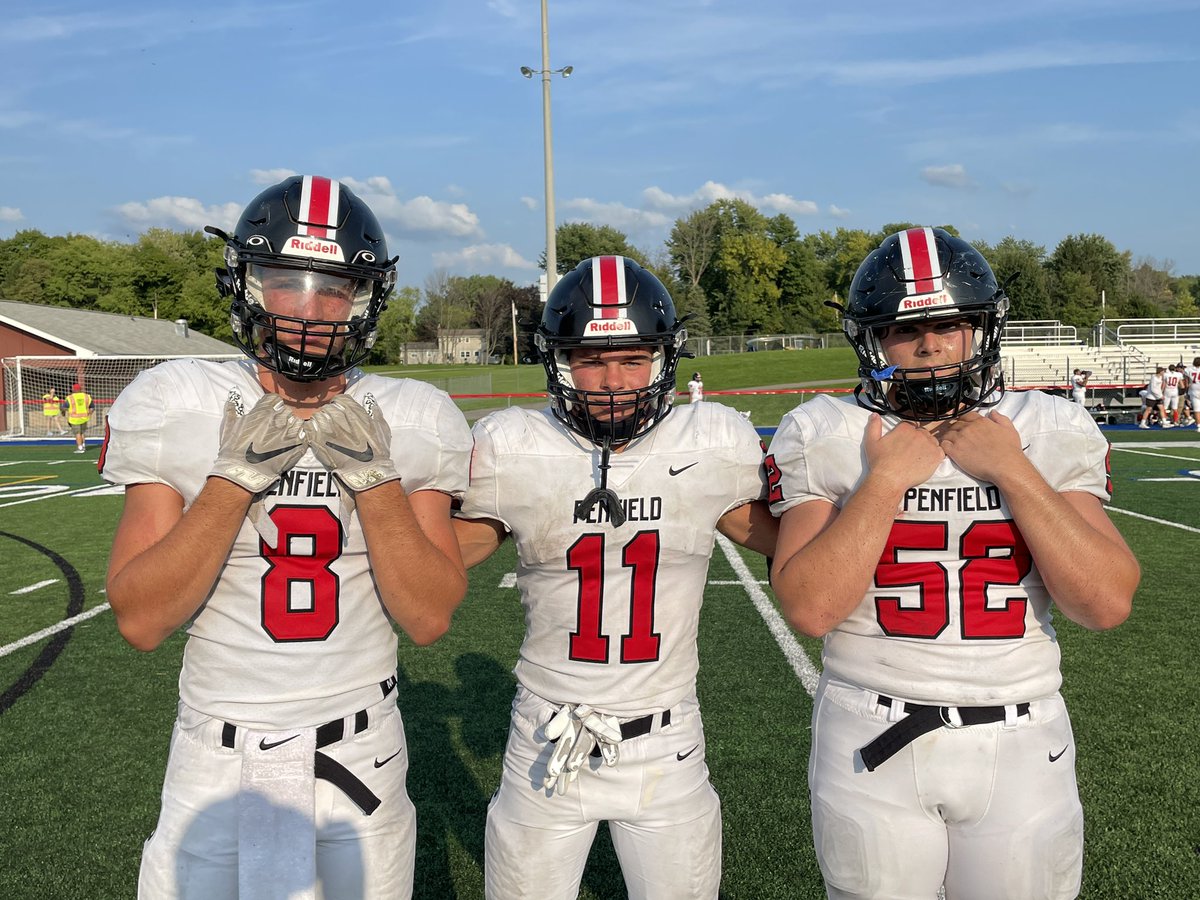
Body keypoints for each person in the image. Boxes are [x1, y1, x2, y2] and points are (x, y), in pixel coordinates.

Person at [101, 175, 472, 899]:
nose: (307, 310)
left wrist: (376, 483)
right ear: (246, 287)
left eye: (333, 288)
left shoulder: (414, 414)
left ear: (366, 301)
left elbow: (430, 616)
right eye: (284, 282)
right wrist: (233, 482)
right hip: (216, 755)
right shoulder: (181, 399)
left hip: (358, 752)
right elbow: (141, 619)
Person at [768, 227, 1139, 900]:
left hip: (1023, 732)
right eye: (906, 329)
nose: (931, 344)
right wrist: (883, 483)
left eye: (949, 324)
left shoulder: (1043, 429)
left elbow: (1106, 603)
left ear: (981, 328)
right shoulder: (829, 431)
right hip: (871, 732)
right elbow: (810, 608)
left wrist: (1014, 472)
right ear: (873, 339)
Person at [452, 256, 777, 900]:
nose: (611, 381)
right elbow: (440, 559)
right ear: (559, 361)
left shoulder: (709, 441)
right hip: (544, 734)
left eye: (631, 359)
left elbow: (788, 545)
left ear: (663, 359)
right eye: (591, 359)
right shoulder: (515, 446)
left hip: (667, 738)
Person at [65, 382, 93, 451]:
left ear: (73, 389)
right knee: (82, 432)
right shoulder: (86, 396)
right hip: (84, 418)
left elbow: (65, 406)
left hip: (74, 418)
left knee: (77, 433)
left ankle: (80, 447)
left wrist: (63, 413)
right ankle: (83, 445)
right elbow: (92, 407)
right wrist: (89, 413)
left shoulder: (70, 397)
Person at [1183, 357, 1200, 431]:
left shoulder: (1188, 370)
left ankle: (1199, 426)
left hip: (1194, 389)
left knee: (1197, 409)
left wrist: (1186, 392)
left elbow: (1186, 384)